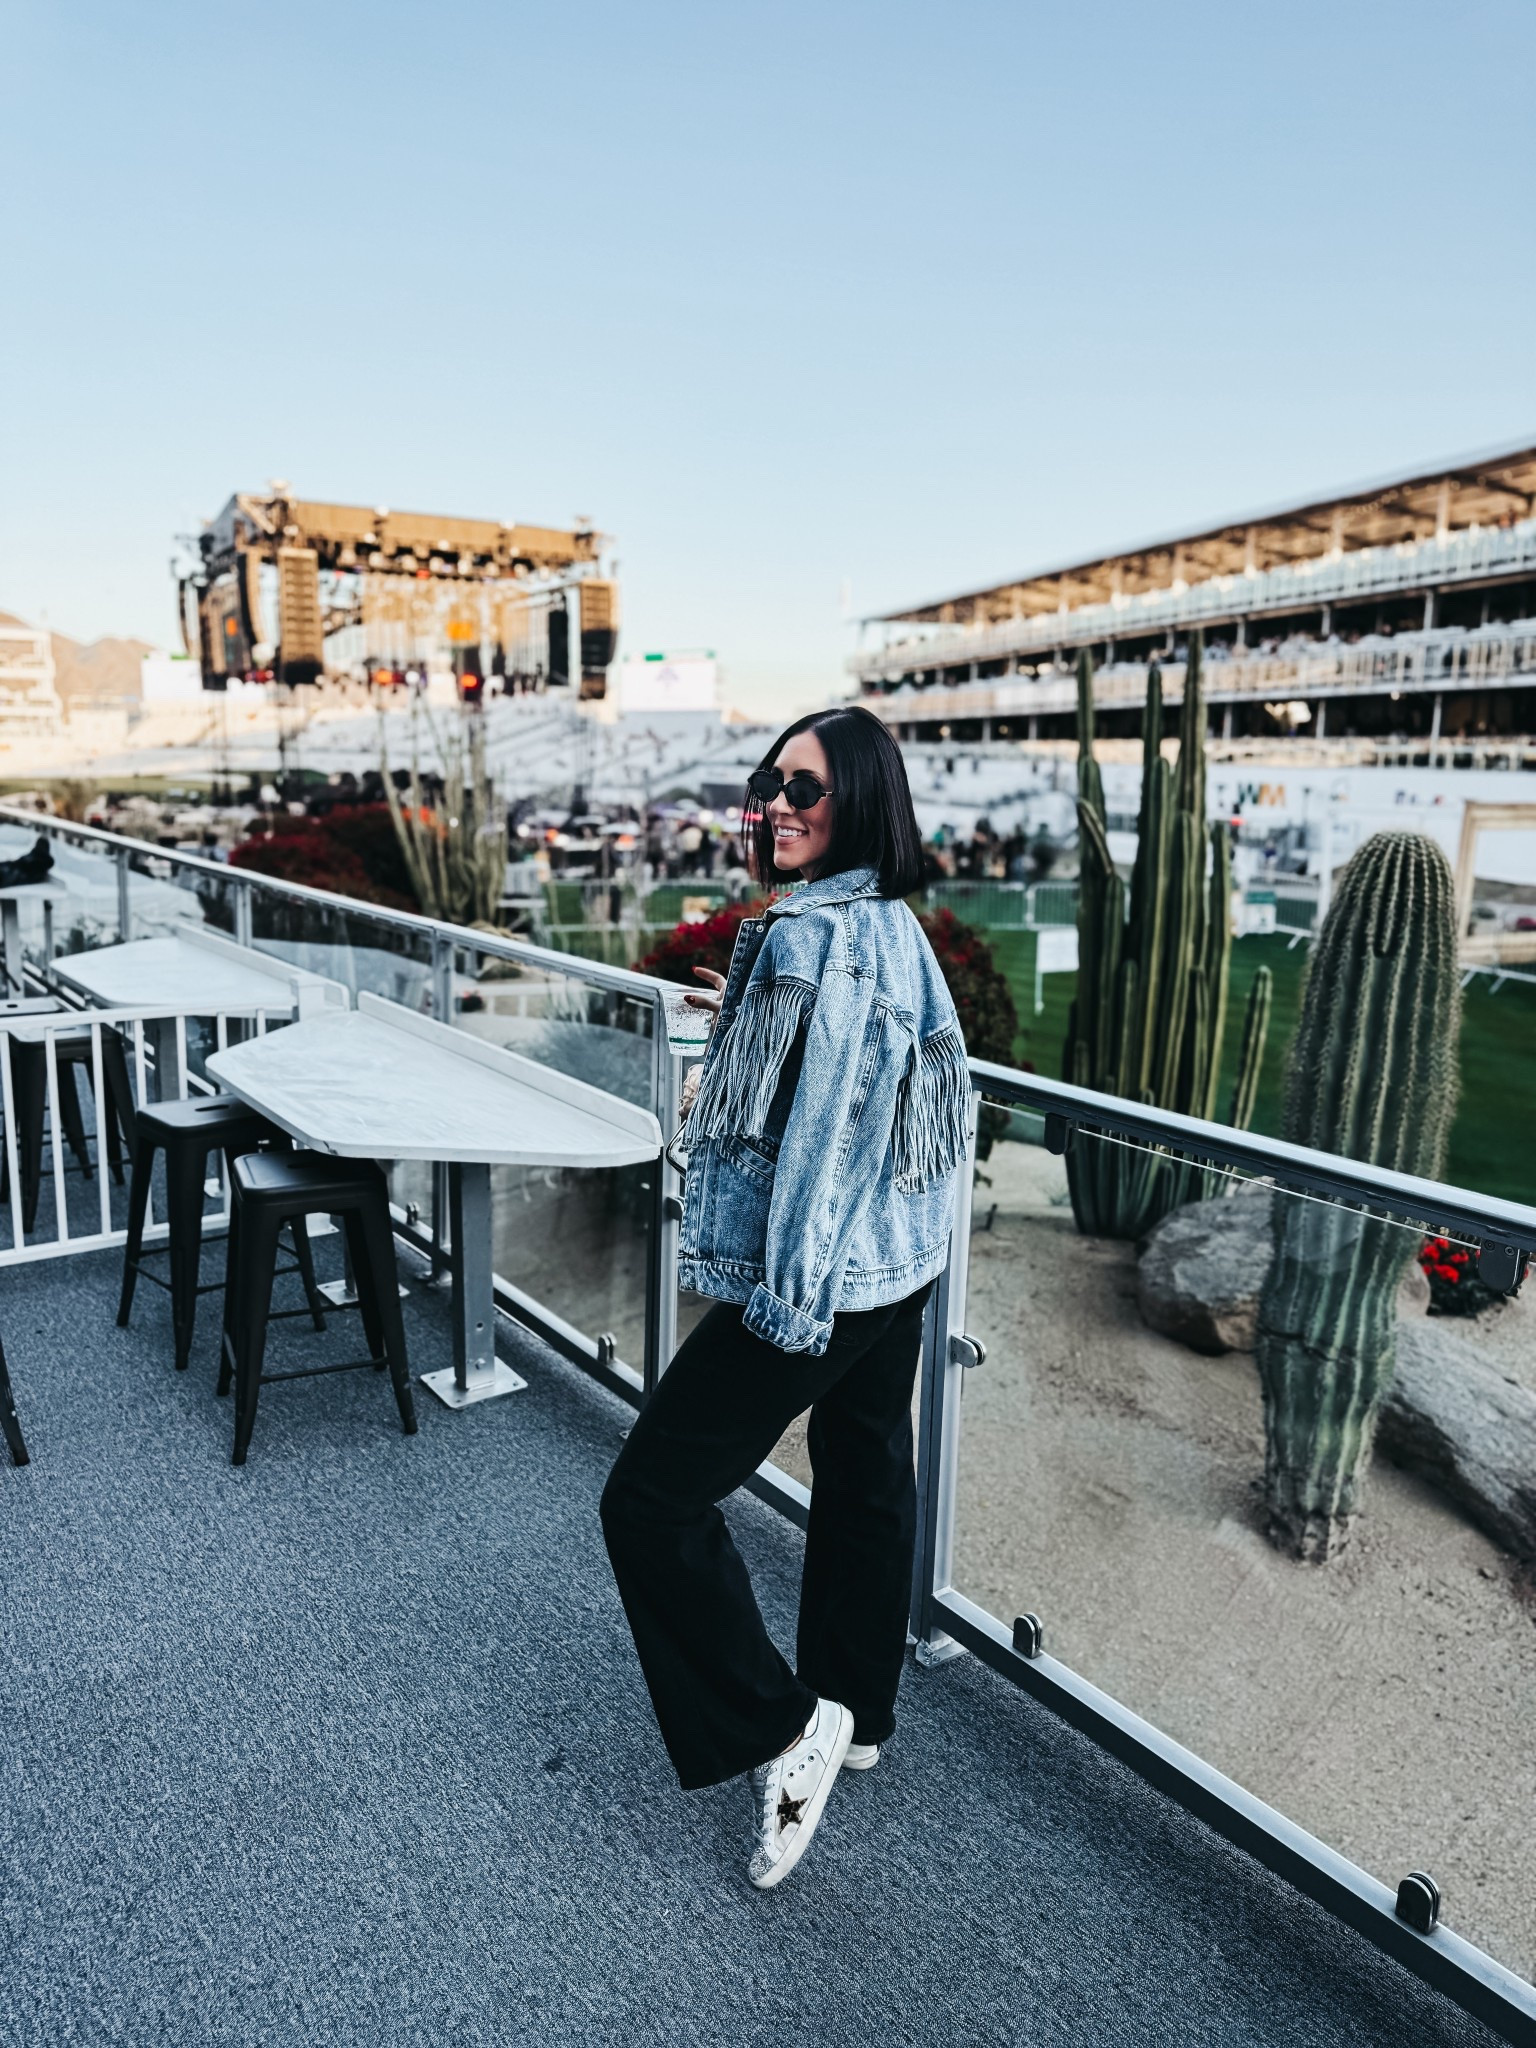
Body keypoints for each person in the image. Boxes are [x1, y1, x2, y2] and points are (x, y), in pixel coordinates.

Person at [601, 705, 970, 1891]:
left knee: (649, 1499)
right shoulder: (882, 923)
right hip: (898, 1255)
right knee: (865, 1466)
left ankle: (781, 1720)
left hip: (829, 1263)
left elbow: (837, 1134)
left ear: (861, 800)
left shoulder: (828, 940)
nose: (779, 805)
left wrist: (791, 1296)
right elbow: (882, 1085)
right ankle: (858, 1708)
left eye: (806, 788)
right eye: (771, 785)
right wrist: (756, 1028)